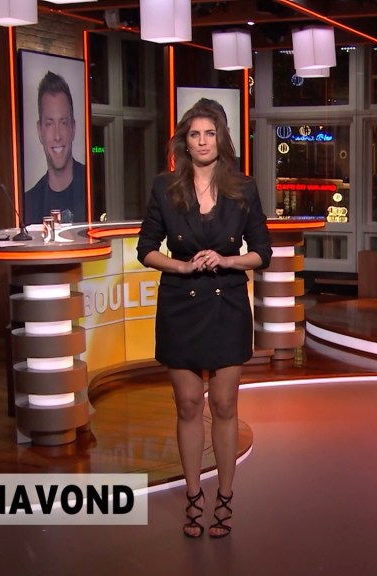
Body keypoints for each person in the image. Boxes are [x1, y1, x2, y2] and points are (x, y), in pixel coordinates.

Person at [136, 100, 272, 539]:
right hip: (181, 303)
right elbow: (146, 248)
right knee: (189, 404)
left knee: (225, 405)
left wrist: (228, 260)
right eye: (194, 134)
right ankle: (194, 497)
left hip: (227, 302)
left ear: (220, 139)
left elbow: (263, 252)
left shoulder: (243, 187)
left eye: (209, 134)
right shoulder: (165, 187)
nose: (202, 141)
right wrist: (181, 266)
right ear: (185, 141)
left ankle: (225, 497)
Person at [23, 71, 87, 225]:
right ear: (40, 131)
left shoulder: (94, 187)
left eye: (63, 123)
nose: (57, 136)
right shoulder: (29, 203)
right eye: (50, 124)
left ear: (73, 128)